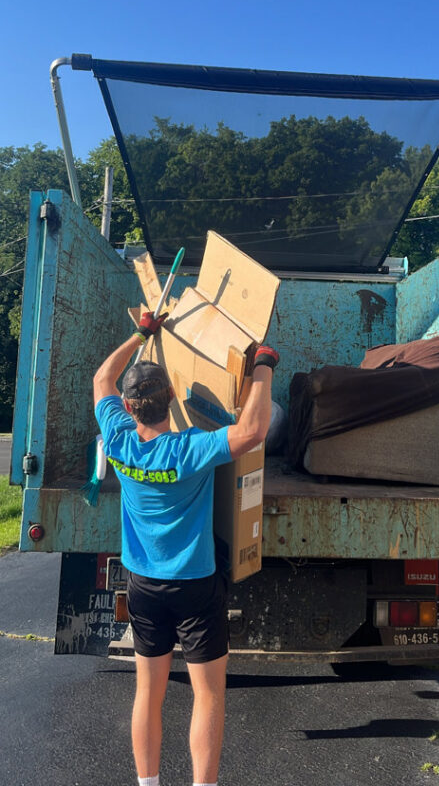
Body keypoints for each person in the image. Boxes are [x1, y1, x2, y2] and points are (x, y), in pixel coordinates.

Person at [93, 310, 279, 786]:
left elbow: (102, 378)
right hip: (195, 586)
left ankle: (148, 783)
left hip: (144, 584)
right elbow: (255, 431)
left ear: (129, 407)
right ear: (172, 398)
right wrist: (264, 365)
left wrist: (140, 333)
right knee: (208, 694)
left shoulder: (117, 439)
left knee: (148, 694)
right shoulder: (191, 449)